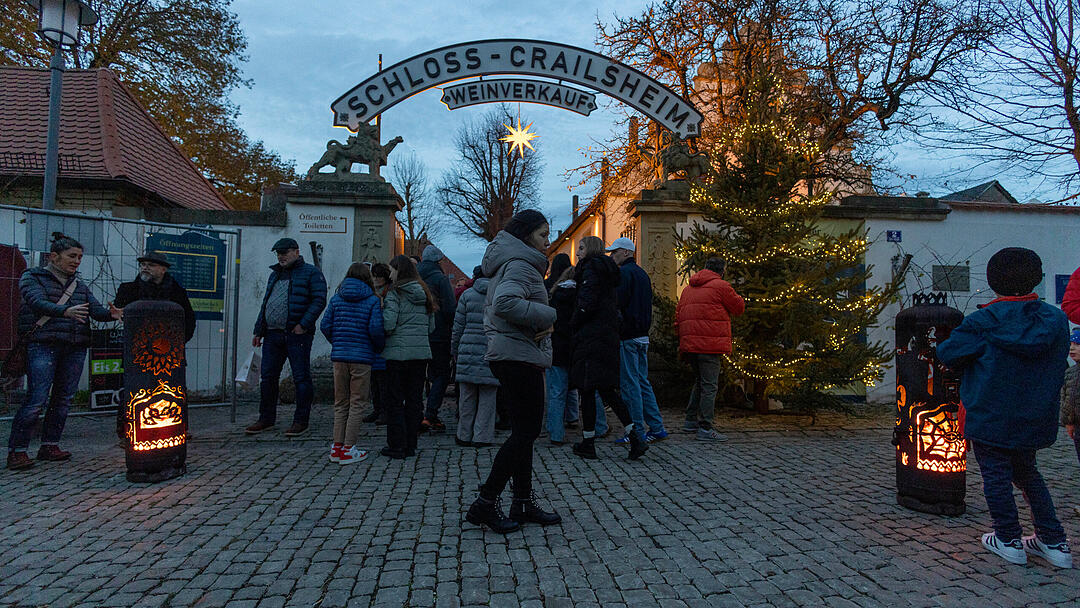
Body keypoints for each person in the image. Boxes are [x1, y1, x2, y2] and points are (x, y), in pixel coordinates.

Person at [938, 247, 1072, 568]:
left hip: (990, 414)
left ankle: (1008, 538)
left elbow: (948, 353)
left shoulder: (983, 321)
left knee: (996, 475)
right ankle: (1054, 541)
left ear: (992, 280)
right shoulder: (1055, 320)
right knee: (1028, 474)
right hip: (1034, 416)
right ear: (1036, 278)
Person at [466, 209, 561, 533]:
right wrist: (548, 314)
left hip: (514, 352)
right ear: (525, 235)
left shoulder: (514, 262)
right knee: (526, 432)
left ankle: (521, 501)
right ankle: (486, 502)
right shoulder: (521, 264)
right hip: (517, 355)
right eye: (543, 235)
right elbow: (505, 303)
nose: (548, 242)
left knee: (524, 431)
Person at [7, 234, 121, 471]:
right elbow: (36, 302)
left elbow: (95, 311)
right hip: (43, 344)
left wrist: (112, 314)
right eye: (72, 256)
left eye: (79, 257)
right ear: (54, 257)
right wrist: (64, 311)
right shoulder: (32, 277)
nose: (77, 261)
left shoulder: (79, 285)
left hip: (74, 346)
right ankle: (17, 451)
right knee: (37, 398)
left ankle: (50, 445)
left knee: (63, 399)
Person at [569, 236, 648, 461]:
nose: (578, 252)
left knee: (588, 390)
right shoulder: (607, 272)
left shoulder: (591, 270)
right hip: (606, 337)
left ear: (591, 250)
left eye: (581, 248)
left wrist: (573, 323)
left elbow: (586, 304)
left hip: (591, 338)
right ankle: (634, 436)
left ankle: (589, 442)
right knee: (606, 391)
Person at [245, 238, 327, 437]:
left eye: (284, 252)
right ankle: (266, 418)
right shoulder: (275, 275)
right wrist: (259, 330)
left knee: (301, 377)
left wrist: (303, 325)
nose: (281, 256)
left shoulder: (311, 273)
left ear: (296, 252)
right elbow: (266, 303)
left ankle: (301, 420)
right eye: (278, 253)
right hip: (272, 334)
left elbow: (319, 300)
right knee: (268, 378)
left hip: (297, 335)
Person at [113, 250, 197, 439]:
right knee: (134, 389)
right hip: (137, 351)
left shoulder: (177, 292)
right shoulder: (128, 290)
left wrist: (176, 344)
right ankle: (127, 432)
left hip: (169, 351)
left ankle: (177, 427)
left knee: (173, 388)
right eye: (143, 265)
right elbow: (120, 313)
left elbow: (189, 320)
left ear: (163, 269)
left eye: (151, 265)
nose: (145, 268)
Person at [320, 263, 385, 465]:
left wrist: (338, 342)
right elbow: (375, 329)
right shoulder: (373, 300)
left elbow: (325, 325)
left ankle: (336, 447)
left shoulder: (336, 298)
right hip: (362, 357)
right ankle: (349, 448)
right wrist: (377, 347)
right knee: (357, 403)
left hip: (340, 357)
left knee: (341, 403)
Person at [675, 257, 745, 441]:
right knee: (709, 385)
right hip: (710, 345)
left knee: (700, 381)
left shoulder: (688, 288)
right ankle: (705, 427)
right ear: (722, 271)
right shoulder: (721, 286)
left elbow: (678, 315)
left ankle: (690, 420)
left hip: (690, 344)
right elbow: (739, 308)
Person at [607, 237, 667, 445]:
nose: (612, 256)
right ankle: (656, 427)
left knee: (630, 384)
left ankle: (636, 430)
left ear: (625, 252)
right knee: (642, 382)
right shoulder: (641, 274)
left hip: (628, 336)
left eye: (614, 252)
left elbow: (618, 303)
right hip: (642, 335)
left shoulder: (624, 273)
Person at [381, 255, 436, 459]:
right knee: (414, 400)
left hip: (397, 355)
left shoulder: (395, 293)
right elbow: (431, 327)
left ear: (399, 271)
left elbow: (389, 324)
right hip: (420, 355)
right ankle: (411, 444)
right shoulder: (425, 294)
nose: (389, 274)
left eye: (392, 270)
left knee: (395, 401)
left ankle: (397, 445)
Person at [452, 266, 498, 447]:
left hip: (467, 348)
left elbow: (458, 327)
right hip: (491, 348)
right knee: (488, 396)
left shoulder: (467, 295)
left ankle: (463, 434)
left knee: (467, 396)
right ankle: (482, 436)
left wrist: (455, 350)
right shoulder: (497, 295)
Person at [417, 245, 457, 432]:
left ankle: (416, 414)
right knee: (442, 374)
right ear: (437, 261)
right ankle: (430, 414)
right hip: (439, 335)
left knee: (418, 375)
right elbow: (449, 309)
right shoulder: (440, 279)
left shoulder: (414, 278)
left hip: (417, 334)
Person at [546, 256, 579, 444]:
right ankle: (590, 424)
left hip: (557, 346)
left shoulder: (554, 295)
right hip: (576, 347)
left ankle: (555, 432)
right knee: (581, 389)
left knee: (556, 391)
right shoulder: (581, 295)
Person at [364, 263, 393, 425]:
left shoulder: (389, 293)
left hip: (384, 341)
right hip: (372, 341)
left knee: (383, 381)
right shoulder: (371, 292)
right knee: (374, 380)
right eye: (374, 276)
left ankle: (385, 411)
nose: (376, 279)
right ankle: (377, 409)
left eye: (379, 276)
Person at [1059, 328, 1080, 515]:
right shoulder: (1070, 372)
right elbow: (1068, 400)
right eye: (1071, 344)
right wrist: (1068, 421)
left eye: (1078, 345)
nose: (1072, 348)